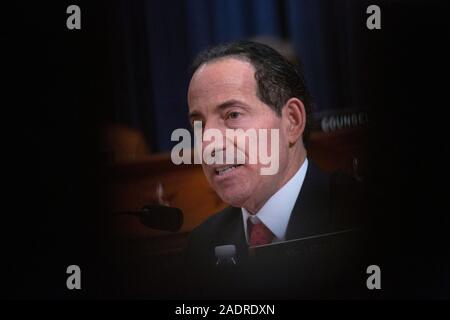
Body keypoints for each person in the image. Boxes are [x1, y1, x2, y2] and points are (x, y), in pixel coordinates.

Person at [184, 40, 366, 299]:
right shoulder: (201, 245)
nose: (208, 142)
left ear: (292, 121)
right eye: (199, 124)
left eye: (233, 115)